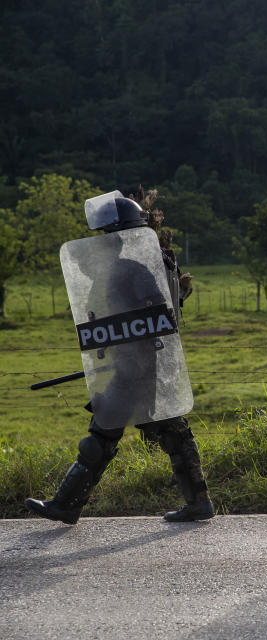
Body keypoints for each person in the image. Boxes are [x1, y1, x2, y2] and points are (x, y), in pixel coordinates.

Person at [25, 192, 213, 525]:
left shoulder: (134, 270)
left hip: (137, 370)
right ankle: (198, 502)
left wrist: (129, 347)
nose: (104, 243)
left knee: (106, 436)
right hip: (135, 366)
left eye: (109, 237)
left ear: (124, 238)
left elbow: (158, 317)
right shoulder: (130, 268)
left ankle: (67, 505)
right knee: (163, 432)